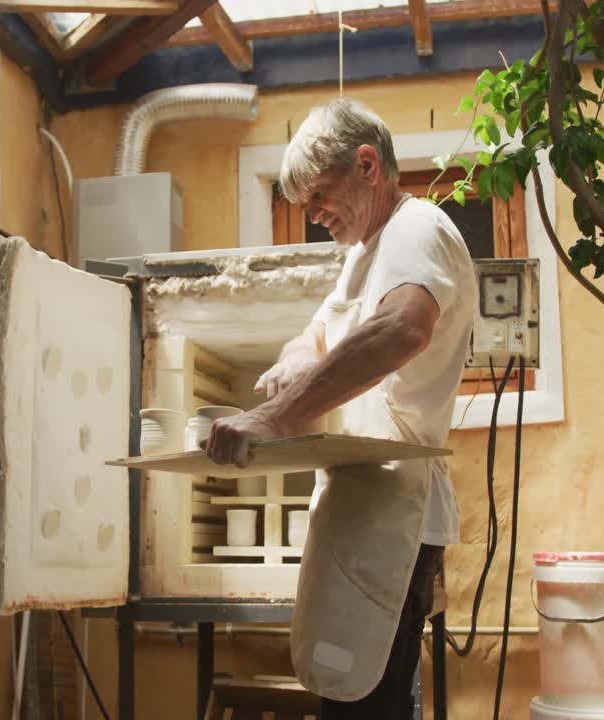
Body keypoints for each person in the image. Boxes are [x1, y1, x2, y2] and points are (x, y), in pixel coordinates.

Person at [204, 97, 479, 718]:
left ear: (367, 165)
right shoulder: (363, 255)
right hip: (361, 503)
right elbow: (320, 334)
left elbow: (401, 329)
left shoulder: (418, 228)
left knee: (367, 704)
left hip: (397, 512)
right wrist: (290, 363)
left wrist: (275, 420)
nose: (312, 215)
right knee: (344, 697)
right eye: (303, 205)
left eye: (319, 196)